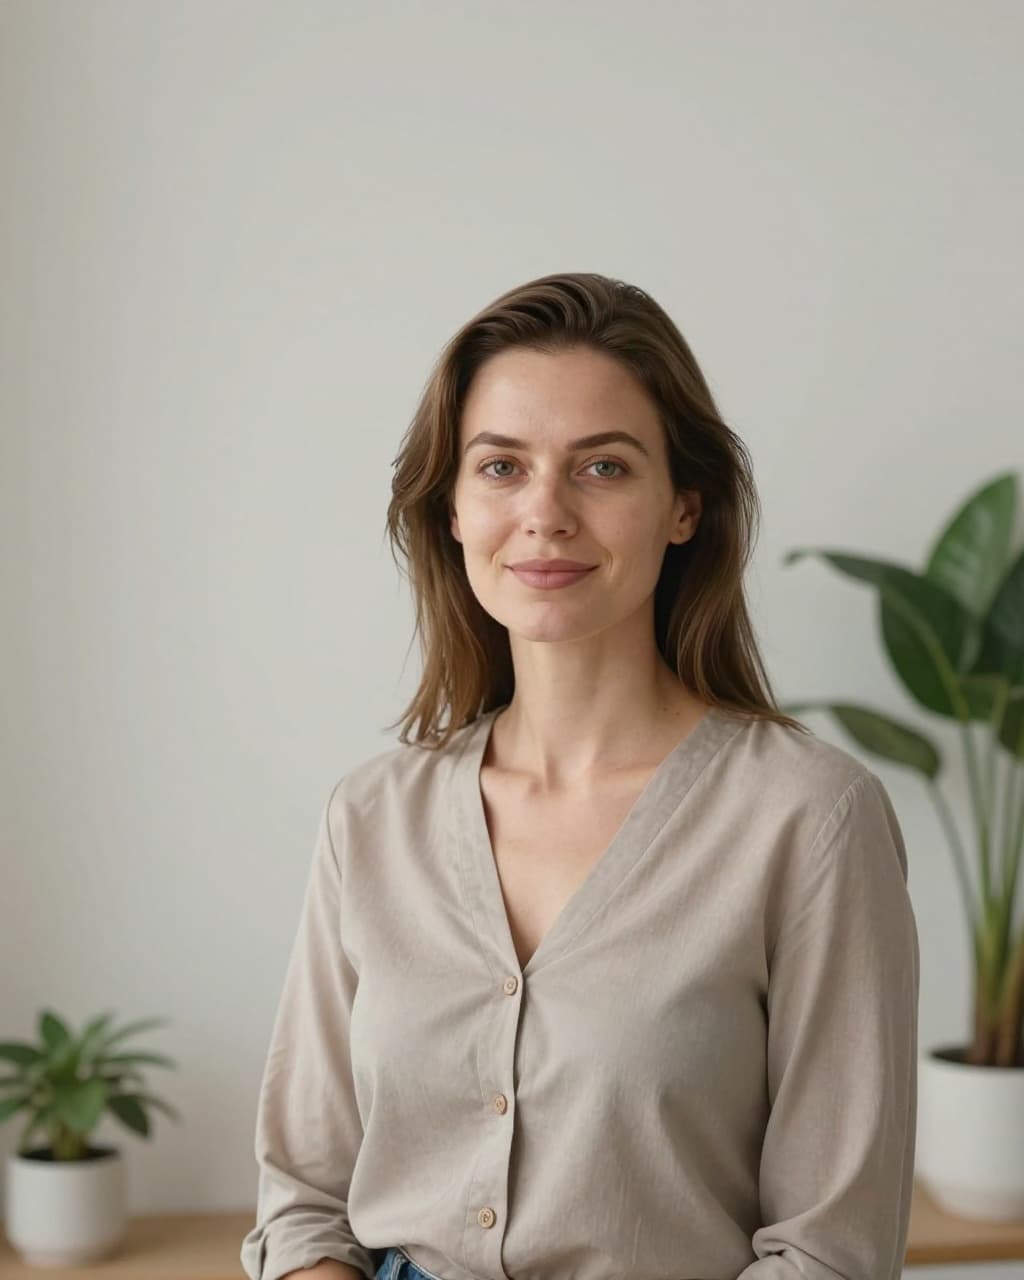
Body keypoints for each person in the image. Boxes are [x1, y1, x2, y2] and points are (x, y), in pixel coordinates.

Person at [240, 272, 919, 1280]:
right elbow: (302, 1198)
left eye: (602, 467)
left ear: (683, 506)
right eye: (501, 466)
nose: (544, 512)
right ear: (452, 508)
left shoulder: (808, 817)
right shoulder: (372, 816)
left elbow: (830, 1246)